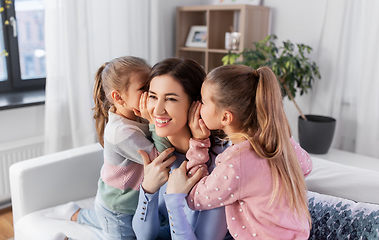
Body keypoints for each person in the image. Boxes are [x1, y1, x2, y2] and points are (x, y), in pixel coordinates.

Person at [168, 65, 313, 239]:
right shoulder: (280, 140)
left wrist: (199, 143)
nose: (198, 107)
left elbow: (195, 199)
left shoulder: (237, 163)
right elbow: (307, 167)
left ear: (225, 118)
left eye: (204, 101)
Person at [46, 56, 172, 240]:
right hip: (119, 209)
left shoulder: (136, 114)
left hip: (124, 203)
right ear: (118, 97)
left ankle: (77, 213)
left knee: (105, 220)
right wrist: (153, 121)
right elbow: (160, 160)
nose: (151, 94)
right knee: (112, 225)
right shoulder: (121, 132)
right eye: (143, 89)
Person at [132, 57, 233, 240]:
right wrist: (147, 190)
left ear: (196, 104)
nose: (157, 109)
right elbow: (143, 235)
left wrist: (174, 198)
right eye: (153, 96)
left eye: (171, 99)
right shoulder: (152, 150)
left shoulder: (222, 163)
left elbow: (206, 237)